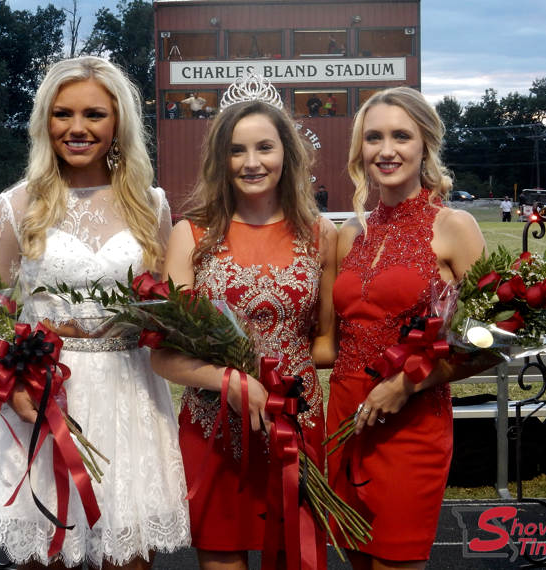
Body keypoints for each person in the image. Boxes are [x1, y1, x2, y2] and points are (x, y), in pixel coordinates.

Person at [0, 56, 190, 569]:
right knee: (45, 554)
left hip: (128, 393)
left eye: (94, 115)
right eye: (63, 114)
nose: (77, 128)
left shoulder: (152, 206)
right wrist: (14, 387)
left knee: (129, 557)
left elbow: (170, 308)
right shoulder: (17, 206)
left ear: (119, 122)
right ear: (45, 121)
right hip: (41, 397)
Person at [151, 74, 337, 570]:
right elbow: (164, 354)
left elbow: (327, 341)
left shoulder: (321, 235)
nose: (251, 162)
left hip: (295, 420)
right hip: (214, 425)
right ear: (221, 159)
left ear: (287, 154)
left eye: (264, 148)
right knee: (221, 559)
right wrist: (228, 379)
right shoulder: (191, 234)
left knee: (294, 555)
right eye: (237, 150)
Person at [327, 86, 492, 570]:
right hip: (345, 414)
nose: (387, 149)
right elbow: (333, 338)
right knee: (355, 558)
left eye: (402, 135)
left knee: (396, 561)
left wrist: (410, 382)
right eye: (374, 137)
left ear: (425, 145)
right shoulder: (349, 235)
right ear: (360, 149)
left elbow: (497, 338)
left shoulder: (453, 225)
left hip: (412, 418)